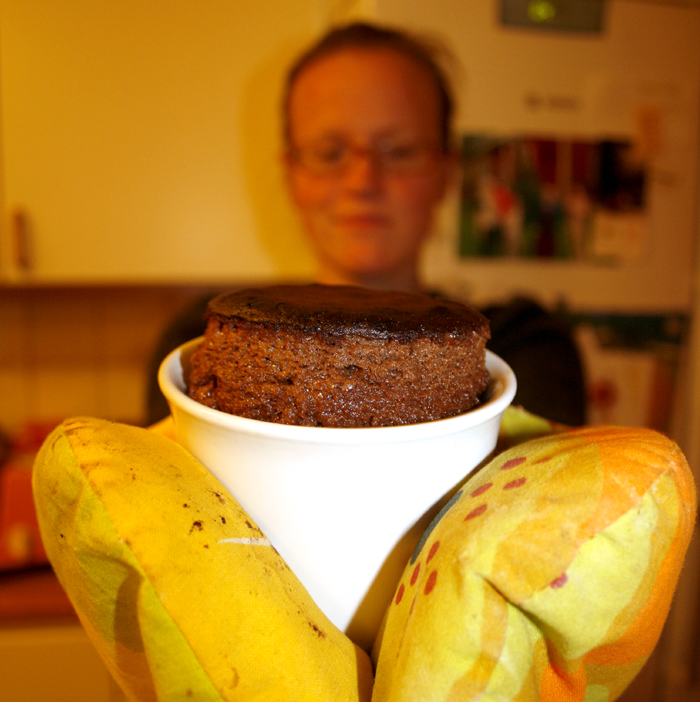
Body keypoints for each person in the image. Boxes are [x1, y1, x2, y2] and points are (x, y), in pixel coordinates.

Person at [147, 21, 585, 428]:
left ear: (447, 172)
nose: (362, 181)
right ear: (291, 175)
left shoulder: (525, 346)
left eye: (399, 151)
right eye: (329, 152)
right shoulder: (203, 342)